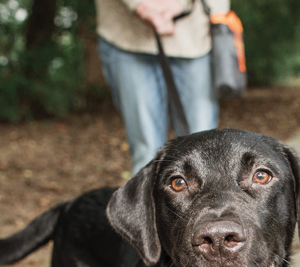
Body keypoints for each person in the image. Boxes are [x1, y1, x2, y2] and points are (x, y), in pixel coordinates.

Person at [96, 0, 227, 174]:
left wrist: (179, 4)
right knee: (146, 154)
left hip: (196, 38)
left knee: (205, 150)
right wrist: (139, 4)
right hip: (125, 36)